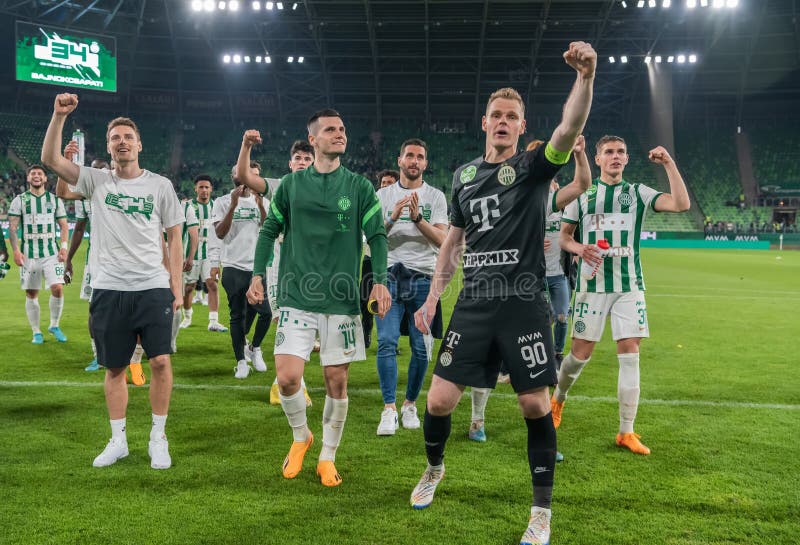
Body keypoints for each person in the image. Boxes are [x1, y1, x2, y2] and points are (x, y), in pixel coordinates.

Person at [409, 41, 597, 545]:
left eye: (512, 116)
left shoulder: (537, 166)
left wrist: (586, 77)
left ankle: (541, 512)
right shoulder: (463, 177)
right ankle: (434, 468)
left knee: (534, 406)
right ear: (484, 122)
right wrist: (433, 297)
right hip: (473, 305)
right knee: (440, 400)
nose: (502, 122)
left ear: (521, 127)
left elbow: (569, 128)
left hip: (523, 307)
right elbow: (453, 241)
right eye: (496, 114)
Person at [242, 109, 391, 487]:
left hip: (341, 301)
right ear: (313, 139)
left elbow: (376, 236)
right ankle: (301, 437)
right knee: (288, 378)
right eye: (330, 130)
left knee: (335, 383)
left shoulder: (359, 187)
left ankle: (327, 455)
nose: (339, 134)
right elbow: (268, 230)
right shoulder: (291, 186)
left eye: (342, 129)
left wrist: (380, 280)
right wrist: (258, 273)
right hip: (296, 296)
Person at [44, 93, 184, 470]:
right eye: (115, 138)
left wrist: (177, 288)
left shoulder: (160, 186)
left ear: (139, 144)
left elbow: (174, 236)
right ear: (108, 147)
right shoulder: (96, 180)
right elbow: (51, 162)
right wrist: (58, 117)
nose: (122, 142)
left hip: (153, 286)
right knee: (115, 368)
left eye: (127, 137)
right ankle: (118, 439)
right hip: (109, 287)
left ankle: (158, 436)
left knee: (159, 362)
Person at [551, 136, 690, 456]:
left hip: (630, 287)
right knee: (578, 357)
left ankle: (626, 431)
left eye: (621, 152)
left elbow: (681, 204)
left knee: (630, 353)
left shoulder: (638, 192)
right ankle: (558, 397)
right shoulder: (583, 195)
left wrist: (669, 162)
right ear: (597, 160)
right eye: (609, 152)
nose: (615, 157)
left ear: (626, 159)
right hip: (592, 286)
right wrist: (579, 248)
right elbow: (564, 238)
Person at [467, 136, 591, 446]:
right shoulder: (503, 190)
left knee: (539, 369)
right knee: (487, 359)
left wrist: (579, 154)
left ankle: (544, 438)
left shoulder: (545, 197)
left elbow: (580, 186)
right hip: (494, 287)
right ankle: (476, 420)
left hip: (529, 291)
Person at [374, 138, 448, 436]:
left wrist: (417, 219)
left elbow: (443, 241)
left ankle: (409, 405)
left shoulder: (436, 197)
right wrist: (392, 217)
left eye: (420, 156)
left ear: (425, 164)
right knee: (387, 341)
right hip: (389, 276)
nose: (414, 161)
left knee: (420, 348)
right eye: (409, 156)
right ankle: (389, 409)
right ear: (400, 160)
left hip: (422, 278)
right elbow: (371, 239)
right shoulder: (382, 194)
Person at [238, 140, 315, 406]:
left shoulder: (323, 188)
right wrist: (246, 146)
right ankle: (285, 386)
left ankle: (287, 383)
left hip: (312, 269)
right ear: (290, 163)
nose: (303, 162)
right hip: (281, 266)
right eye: (298, 158)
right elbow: (244, 176)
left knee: (304, 326)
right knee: (284, 321)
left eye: (307, 158)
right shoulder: (281, 186)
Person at [212, 163, 271, 378]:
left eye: (254, 174)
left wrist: (262, 206)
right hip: (233, 266)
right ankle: (241, 362)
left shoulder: (263, 200)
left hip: (256, 268)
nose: (248, 177)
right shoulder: (222, 201)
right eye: (242, 172)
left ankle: (254, 348)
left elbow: (267, 229)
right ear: (233, 176)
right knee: (237, 315)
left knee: (265, 313)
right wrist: (233, 205)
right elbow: (220, 233)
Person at [7, 164, 69, 344]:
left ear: (45, 179)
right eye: (32, 173)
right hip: (29, 254)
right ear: (28, 179)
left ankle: (54, 325)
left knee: (57, 287)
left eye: (39, 173)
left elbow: (64, 225)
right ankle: (36, 332)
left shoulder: (54, 200)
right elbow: (12, 227)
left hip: (52, 253)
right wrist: (16, 250)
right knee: (32, 293)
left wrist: (64, 247)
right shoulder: (20, 200)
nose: (36, 176)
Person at [63, 145, 108, 370]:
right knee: (94, 308)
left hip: (122, 260)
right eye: (94, 171)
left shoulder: (122, 191)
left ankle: (132, 353)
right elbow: (79, 229)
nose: (98, 174)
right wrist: (69, 259)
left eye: (102, 170)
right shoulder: (84, 198)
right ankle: (97, 354)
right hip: (95, 261)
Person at [180, 174, 227, 332]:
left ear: (211, 189)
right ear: (195, 189)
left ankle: (213, 321)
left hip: (210, 254)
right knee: (188, 288)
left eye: (207, 187)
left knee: (212, 284)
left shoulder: (216, 206)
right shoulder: (187, 206)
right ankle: (187, 317)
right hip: (191, 254)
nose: (204, 190)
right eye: (201, 187)